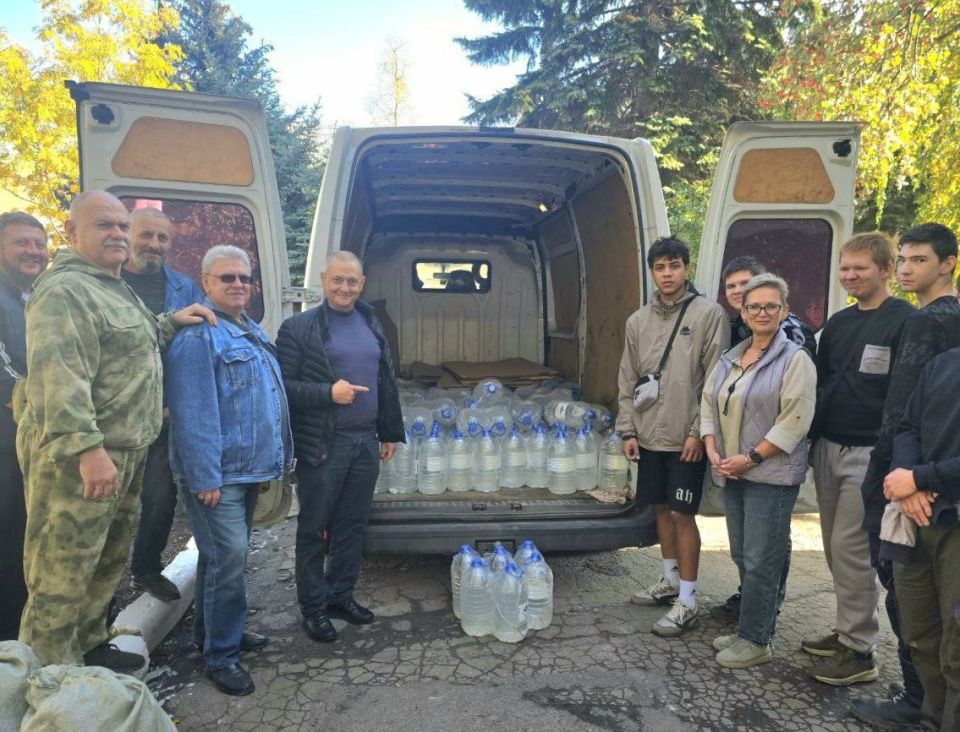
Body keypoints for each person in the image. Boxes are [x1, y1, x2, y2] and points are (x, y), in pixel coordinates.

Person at [15, 191, 213, 670]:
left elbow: (128, 342)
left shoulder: (109, 284)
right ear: (71, 231)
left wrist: (170, 322)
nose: (118, 235)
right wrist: (88, 450)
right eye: (105, 225)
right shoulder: (65, 290)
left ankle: (89, 644)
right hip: (82, 460)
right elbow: (59, 378)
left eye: (123, 226)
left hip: (124, 451)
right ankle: (50, 677)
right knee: (62, 570)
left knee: (104, 561)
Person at [165, 245, 292, 696]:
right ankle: (221, 656)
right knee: (228, 560)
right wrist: (205, 477)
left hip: (246, 470)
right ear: (206, 282)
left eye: (244, 277)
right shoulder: (198, 338)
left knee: (218, 559)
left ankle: (212, 635)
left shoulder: (248, 328)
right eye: (227, 278)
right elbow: (193, 412)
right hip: (219, 477)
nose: (238, 284)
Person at [852, 223, 960, 729]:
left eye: (920, 260)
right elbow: (918, 415)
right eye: (904, 259)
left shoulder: (929, 322)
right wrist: (911, 476)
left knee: (913, 598)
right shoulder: (938, 331)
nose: (907, 269)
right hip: (915, 476)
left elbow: (901, 412)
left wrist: (908, 479)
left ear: (948, 264)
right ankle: (927, 704)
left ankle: (920, 701)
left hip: (923, 487)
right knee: (918, 604)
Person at [803, 233, 914, 687]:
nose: (850, 276)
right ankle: (847, 629)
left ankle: (859, 651)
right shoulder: (839, 323)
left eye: (860, 268)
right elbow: (823, 382)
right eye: (845, 268)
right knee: (835, 548)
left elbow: (909, 395)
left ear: (886, 270)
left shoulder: (905, 321)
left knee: (851, 549)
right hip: (829, 446)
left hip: (870, 453)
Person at [276, 251, 404, 645]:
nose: (344, 288)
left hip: (365, 441)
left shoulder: (371, 321)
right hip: (324, 444)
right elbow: (283, 388)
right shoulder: (299, 327)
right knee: (315, 529)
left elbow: (384, 380)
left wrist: (388, 430)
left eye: (351, 281)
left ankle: (340, 595)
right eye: (337, 280)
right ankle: (314, 607)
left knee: (352, 525)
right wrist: (328, 393)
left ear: (361, 284)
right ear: (323, 279)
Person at [700, 273, 817, 668]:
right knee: (743, 553)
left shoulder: (795, 359)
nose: (762, 312)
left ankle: (756, 639)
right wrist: (711, 446)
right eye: (754, 307)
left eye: (771, 306)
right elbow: (708, 404)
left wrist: (750, 458)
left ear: (784, 311)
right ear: (744, 313)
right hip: (732, 470)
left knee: (761, 559)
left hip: (770, 474)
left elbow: (795, 420)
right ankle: (752, 626)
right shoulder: (730, 357)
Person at [617, 236, 728, 637]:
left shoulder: (708, 314)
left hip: (686, 439)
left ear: (686, 268)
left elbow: (715, 378)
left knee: (683, 514)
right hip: (648, 435)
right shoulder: (637, 321)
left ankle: (689, 600)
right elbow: (628, 376)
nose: (667, 274)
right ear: (652, 272)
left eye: (674, 265)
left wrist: (699, 432)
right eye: (660, 267)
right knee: (661, 510)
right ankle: (668, 580)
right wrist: (628, 429)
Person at [122, 207, 203, 602]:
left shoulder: (185, 287)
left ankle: (146, 570)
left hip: (164, 414)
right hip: (114, 417)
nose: (154, 244)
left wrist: (179, 404)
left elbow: (198, 346)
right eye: (146, 235)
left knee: (159, 497)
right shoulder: (106, 283)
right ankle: (95, 596)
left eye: (162, 237)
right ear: (127, 235)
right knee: (106, 507)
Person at [883, 347, 960, 731]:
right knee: (921, 634)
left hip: (953, 521)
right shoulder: (942, 363)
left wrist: (920, 478)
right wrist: (908, 480)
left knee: (957, 648)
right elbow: (908, 428)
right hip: (918, 518)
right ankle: (933, 720)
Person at [0, 212, 48, 641]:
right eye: (22, 243)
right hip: (5, 442)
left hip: (31, 439)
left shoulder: (35, 296)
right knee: (9, 536)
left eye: (38, 243)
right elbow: (7, 380)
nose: (33, 251)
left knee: (28, 537)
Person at [723, 255, 817, 359]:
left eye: (745, 283)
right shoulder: (731, 327)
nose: (737, 291)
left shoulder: (793, 331)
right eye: (731, 286)